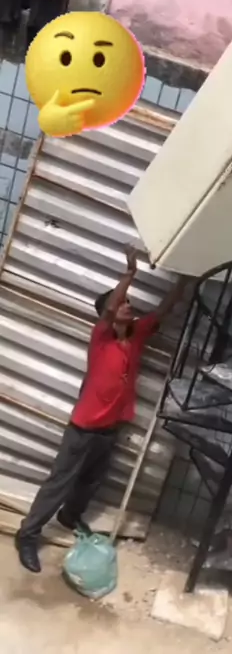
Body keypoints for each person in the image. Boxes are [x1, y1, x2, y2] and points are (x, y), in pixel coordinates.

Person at [15, 246, 191, 573]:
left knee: (91, 481)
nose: (127, 305)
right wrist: (130, 273)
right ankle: (27, 534)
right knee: (59, 483)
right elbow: (110, 308)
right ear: (108, 313)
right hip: (83, 429)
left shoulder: (136, 335)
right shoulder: (101, 338)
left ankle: (70, 516)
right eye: (123, 303)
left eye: (128, 302)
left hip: (109, 430)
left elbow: (164, 310)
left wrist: (184, 282)